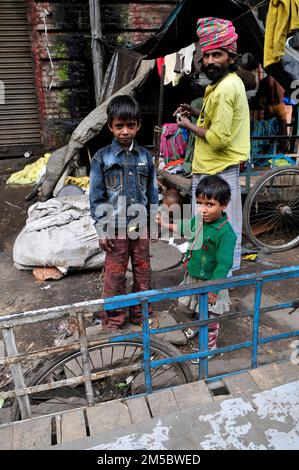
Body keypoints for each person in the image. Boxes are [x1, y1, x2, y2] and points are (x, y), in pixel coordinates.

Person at [174, 17, 250, 271]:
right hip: (212, 167)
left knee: (218, 232)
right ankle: (209, 276)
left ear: (232, 57)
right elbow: (216, 121)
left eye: (217, 55)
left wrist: (187, 126)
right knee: (211, 230)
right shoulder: (221, 86)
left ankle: (218, 285)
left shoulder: (226, 88)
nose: (209, 62)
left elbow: (218, 139)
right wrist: (195, 114)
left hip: (216, 168)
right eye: (206, 56)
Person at [89, 95, 159, 331]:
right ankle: (115, 319)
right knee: (115, 275)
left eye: (130, 126)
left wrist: (153, 222)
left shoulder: (145, 157)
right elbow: (97, 197)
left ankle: (141, 313)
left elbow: (152, 192)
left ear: (138, 125)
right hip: (115, 228)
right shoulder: (101, 158)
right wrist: (101, 229)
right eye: (119, 126)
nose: (125, 131)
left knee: (143, 272)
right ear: (110, 126)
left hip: (140, 226)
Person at [156, 175, 236, 360]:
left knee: (210, 318)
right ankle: (197, 326)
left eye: (210, 204)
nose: (203, 209)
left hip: (212, 282)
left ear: (223, 205)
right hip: (194, 275)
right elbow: (185, 228)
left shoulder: (225, 233)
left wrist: (214, 288)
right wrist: (166, 224)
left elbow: (225, 263)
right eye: (200, 203)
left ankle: (208, 349)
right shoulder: (198, 220)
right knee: (192, 308)